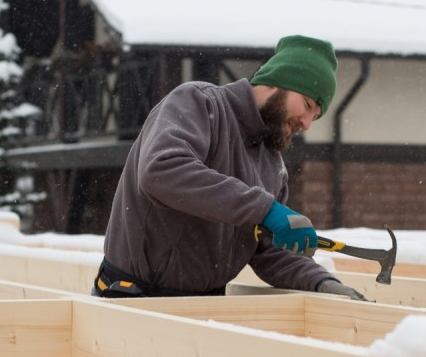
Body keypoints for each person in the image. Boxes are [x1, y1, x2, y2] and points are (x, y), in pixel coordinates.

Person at [91, 35, 366, 301]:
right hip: (133, 298)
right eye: (307, 105)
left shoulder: (273, 165)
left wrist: (321, 282)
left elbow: (269, 252)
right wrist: (264, 208)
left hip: (206, 307)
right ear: (278, 82)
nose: (306, 123)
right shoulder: (199, 103)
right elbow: (161, 171)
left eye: (315, 118)